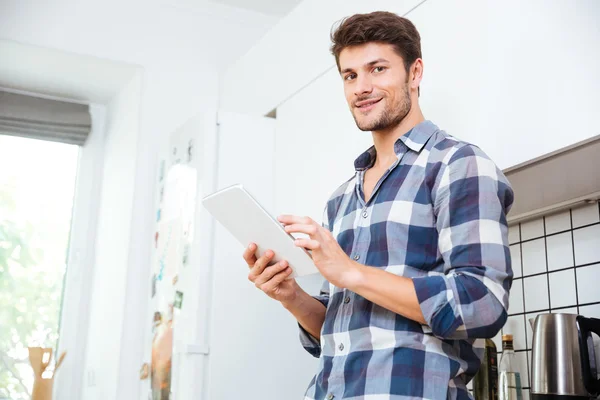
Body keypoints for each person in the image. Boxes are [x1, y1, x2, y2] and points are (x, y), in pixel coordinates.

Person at [243, 11, 514, 400]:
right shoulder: (341, 198)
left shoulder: (457, 164)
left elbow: (482, 302)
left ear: (415, 72)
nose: (361, 87)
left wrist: (351, 272)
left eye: (378, 69)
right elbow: (344, 332)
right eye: (350, 75)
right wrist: (292, 297)